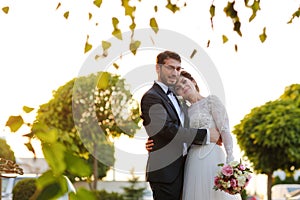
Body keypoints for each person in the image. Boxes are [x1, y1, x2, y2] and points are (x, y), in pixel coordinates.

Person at [147, 70, 241, 200]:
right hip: (192, 161)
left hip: (213, 158)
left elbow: (225, 131)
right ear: (177, 94)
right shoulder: (182, 111)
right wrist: (155, 141)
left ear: (194, 82)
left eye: (184, 82)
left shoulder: (211, 101)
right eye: (178, 88)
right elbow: (174, 132)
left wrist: (230, 160)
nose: (183, 87)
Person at [140, 50, 221, 200]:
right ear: (158, 68)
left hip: (187, 169)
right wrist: (207, 135)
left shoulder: (178, 100)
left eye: (178, 69)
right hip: (166, 173)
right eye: (170, 67)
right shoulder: (151, 97)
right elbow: (167, 129)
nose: (175, 73)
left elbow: (181, 127)